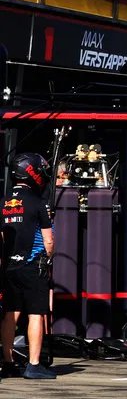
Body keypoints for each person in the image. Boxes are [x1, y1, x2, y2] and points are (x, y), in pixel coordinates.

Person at [1, 152, 56, 379]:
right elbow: (48, 240)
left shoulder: (3, 202)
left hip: (9, 267)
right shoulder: (38, 203)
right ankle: (33, 365)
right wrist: (49, 257)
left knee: (10, 313)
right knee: (35, 313)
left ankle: (8, 362)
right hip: (33, 265)